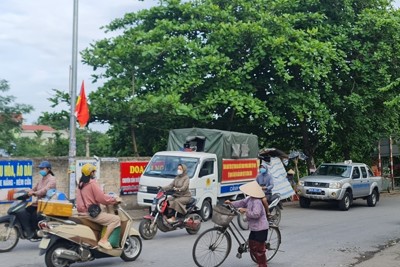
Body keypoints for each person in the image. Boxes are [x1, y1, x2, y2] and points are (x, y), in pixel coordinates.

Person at [75, 163, 121, 250]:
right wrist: (114, 199)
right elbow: (101, 198)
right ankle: (104, 240)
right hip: (91, 213)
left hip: (82, 212)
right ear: (91, 173)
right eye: (94, 172)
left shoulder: (80, 185)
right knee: (116, 219)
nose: (95, 173)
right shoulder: (92, 183)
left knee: (104, 213)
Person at [225, 181, 269, 267]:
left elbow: (256, 214)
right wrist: (231, 203)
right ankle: (261, 262)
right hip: (254, 228)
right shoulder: (250, 198)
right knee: (252, 246)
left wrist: (245, 210)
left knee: (259, 249)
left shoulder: (257, 201)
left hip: (261, 228)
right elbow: (241, 202)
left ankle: (262, 265)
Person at [16, 160, 57, 239]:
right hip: (38, 203)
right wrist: (29, 192)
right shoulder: (42, 179)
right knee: (26, 211)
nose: (41, 170)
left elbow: (45, 189)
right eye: (40, 168)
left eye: (43, 168)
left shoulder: (52, 179)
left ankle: (37, 233)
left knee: (35, 216)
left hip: (46, 203)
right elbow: (34, 188)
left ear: (48, 169)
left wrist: (35, 193)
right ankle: (29, 230)